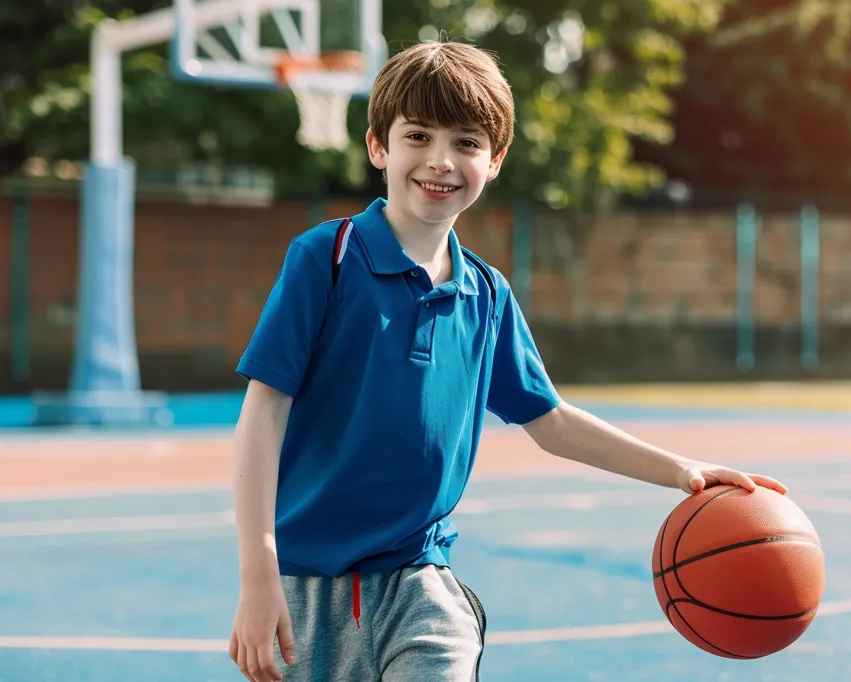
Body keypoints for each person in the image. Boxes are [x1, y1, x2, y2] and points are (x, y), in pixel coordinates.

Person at [228, 39, 787, 682]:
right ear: (378, 146)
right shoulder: (324, 260)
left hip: (421, 583)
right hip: (308, 589)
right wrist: (258, 574)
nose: (440, 160)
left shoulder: (485, 294)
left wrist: (684, 470)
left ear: (493, 161)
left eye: (466, 143)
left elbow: (550, 421)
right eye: (418, 136)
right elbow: (264, 414)